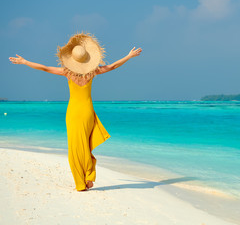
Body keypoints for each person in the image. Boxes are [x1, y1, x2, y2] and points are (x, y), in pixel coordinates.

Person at [9, 32, 142, 191]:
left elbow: (44, 68)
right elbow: (112, 66)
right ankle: (89, 175)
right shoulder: (92, 72)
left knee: (74, 148)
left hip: (73, 112)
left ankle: (81, 182)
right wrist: (128, 56)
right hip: (87, 111)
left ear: (72, 60)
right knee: (85, 144)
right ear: (87, 59)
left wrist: (24, 62)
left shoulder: (67, 72)